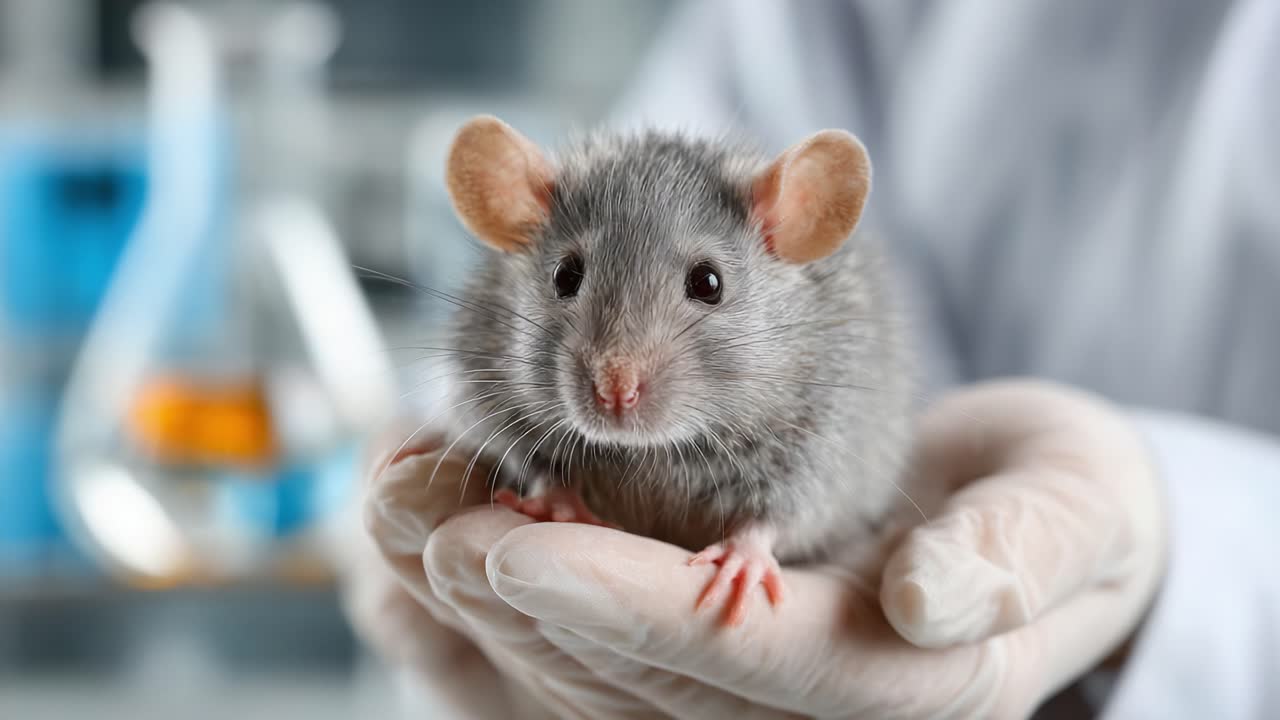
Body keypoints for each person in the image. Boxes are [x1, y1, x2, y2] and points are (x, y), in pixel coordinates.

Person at [344, 1, 1280, 717]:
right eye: (570, 279)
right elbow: (708, 112)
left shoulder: (831, 348)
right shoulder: (507, 306)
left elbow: (848, 470)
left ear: (792, 224)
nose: (616, 376)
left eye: (705, 289)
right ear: (514, 208)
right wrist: (510, 471)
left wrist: (764, 538)